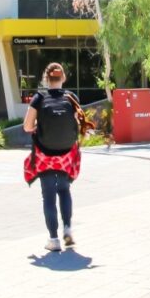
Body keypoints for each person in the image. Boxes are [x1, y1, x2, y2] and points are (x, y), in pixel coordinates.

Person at [23, 62, 88, 252]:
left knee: (49, 196)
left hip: (45, 155)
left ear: (46, 78)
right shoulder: (71, 98)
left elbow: (27, 126)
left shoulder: (38, 98)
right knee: (65, 191)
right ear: (63, 78)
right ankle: (67, 229)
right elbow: (79, 124)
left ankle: (53, 240)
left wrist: (37, 128)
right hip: (67, 154)